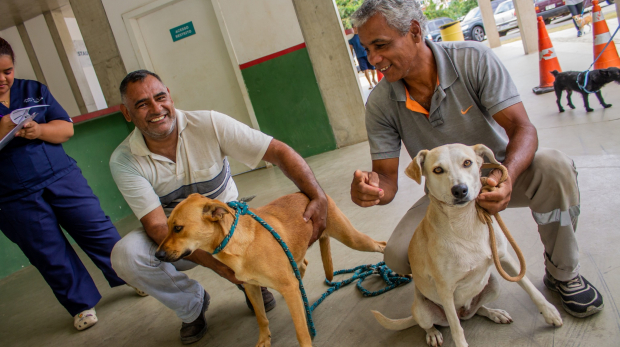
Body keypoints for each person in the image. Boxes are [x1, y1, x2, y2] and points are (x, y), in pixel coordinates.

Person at [348, 0, 604, 319]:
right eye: (367, 49)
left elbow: (522, 128)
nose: (372, 59)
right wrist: (371, 190)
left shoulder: (473, 60)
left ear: (414, 31)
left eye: (380, 45)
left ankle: (563, 273)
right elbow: (386, 180)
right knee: (398, 256)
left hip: (495, 177)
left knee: (554, 166)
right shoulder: (381, 103)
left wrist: (505, 176)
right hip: (444, 198)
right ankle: (474, 279)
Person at [109, 70, 328, 344]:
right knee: (125, 255)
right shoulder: (124, 160)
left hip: (228, 226)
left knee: (257, 254)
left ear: (170, 96)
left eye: (160, 97)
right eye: (142, 104)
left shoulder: (209, 123)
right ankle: (192, 305)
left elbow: (279, 152)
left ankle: (254, 278)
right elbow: (155, 226)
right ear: (127, 113)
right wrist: (221, 267)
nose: (156, 109)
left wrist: (318, 196)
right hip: (176, 235)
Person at [0, 37, 126, 331]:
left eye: (7, 71)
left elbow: (66, 129)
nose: (3, 79)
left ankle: (131, 275)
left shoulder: (32, 89)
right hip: (13, 196)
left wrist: (38, 129)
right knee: (48, 251)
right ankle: (81, 305)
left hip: (60, 177)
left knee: (96, 228)